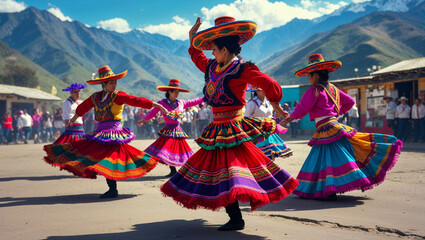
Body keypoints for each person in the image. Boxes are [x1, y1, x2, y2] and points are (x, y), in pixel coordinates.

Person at [160, 17, 298, 231]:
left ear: (224, 50)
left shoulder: (242, 69)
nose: (211, 53)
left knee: (231, 171)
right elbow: (198, 57)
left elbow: (269, 84)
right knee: (219, 171)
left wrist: (276, 103)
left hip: (233, 128)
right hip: (216, 128)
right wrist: (191, 39)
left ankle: (236, 217)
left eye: (214, 49)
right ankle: (235, 217)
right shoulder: (212, 67)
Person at [281, 53, 403, 201]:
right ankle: (324, 188)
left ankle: (325, 190)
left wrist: (289, 118)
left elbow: (303, 107)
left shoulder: (314, 90)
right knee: (333, 156)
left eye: (309, 75)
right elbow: (350, 102)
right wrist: (337, 114)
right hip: (334, 125)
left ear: (316, 75)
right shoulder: (332, 89)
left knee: (327, 158)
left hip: (326, 127)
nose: (308, 78)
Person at [44, 66, 167, 198]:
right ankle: (109, 185)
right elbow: (82, 108)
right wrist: (73, 119)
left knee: (110, 159)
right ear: (104, 84)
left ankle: (112, 189)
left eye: (115, 82)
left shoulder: (118, 95)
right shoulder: (96, 97)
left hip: (114, 132)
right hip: (101, 132)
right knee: (92, 153)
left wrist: (156, 105)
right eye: (111, 83)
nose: (114, 85)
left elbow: (135, 100)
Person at [139, 79, 204, 177]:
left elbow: (194, 101)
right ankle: (173, 170)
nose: (177, 94)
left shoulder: (181, 103)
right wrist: (144, 120)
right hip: (168, 130)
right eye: (175, 91)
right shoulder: (162, 103)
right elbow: (152, 113)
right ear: (169, 91)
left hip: (177, 130)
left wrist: (206, 97)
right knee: (167, 149)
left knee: (178, 150)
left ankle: (182, 171)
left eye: (178, 91)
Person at [244, 85, 293, 160]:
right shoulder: (252, 103)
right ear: (256, 91)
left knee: (271, 155)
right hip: (258, 134)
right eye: (262, 89)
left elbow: (274, 116)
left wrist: (278, 113)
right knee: (261, 157)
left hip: (269, 132)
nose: (265, 91)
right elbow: (245, 119)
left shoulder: (269, 102)